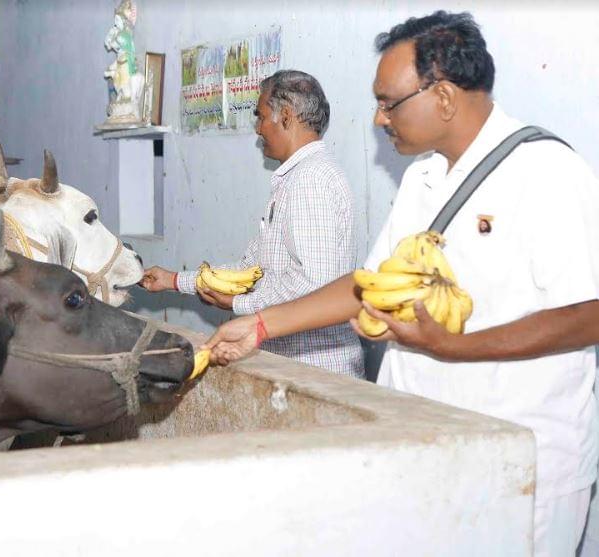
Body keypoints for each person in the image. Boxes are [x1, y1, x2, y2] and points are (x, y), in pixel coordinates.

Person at [203, 11, 599, 556]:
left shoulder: (547, 173)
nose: (378, 119)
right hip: (428, 447)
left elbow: (588, 313)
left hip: (523, 462)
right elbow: (368, 283)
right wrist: (262, 324)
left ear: (442, 97)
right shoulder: (423, 179)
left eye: (389, 103)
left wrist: (454, 347)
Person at [141, 70, 363, 377]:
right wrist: (173, 280)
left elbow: (315, 283)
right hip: (293, 361)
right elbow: (251, 268)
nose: (258, 129)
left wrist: (240, 304)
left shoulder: (311, 180)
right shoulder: (295, 179)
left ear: (285, 116)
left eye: (260, 117)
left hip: (316, 366)